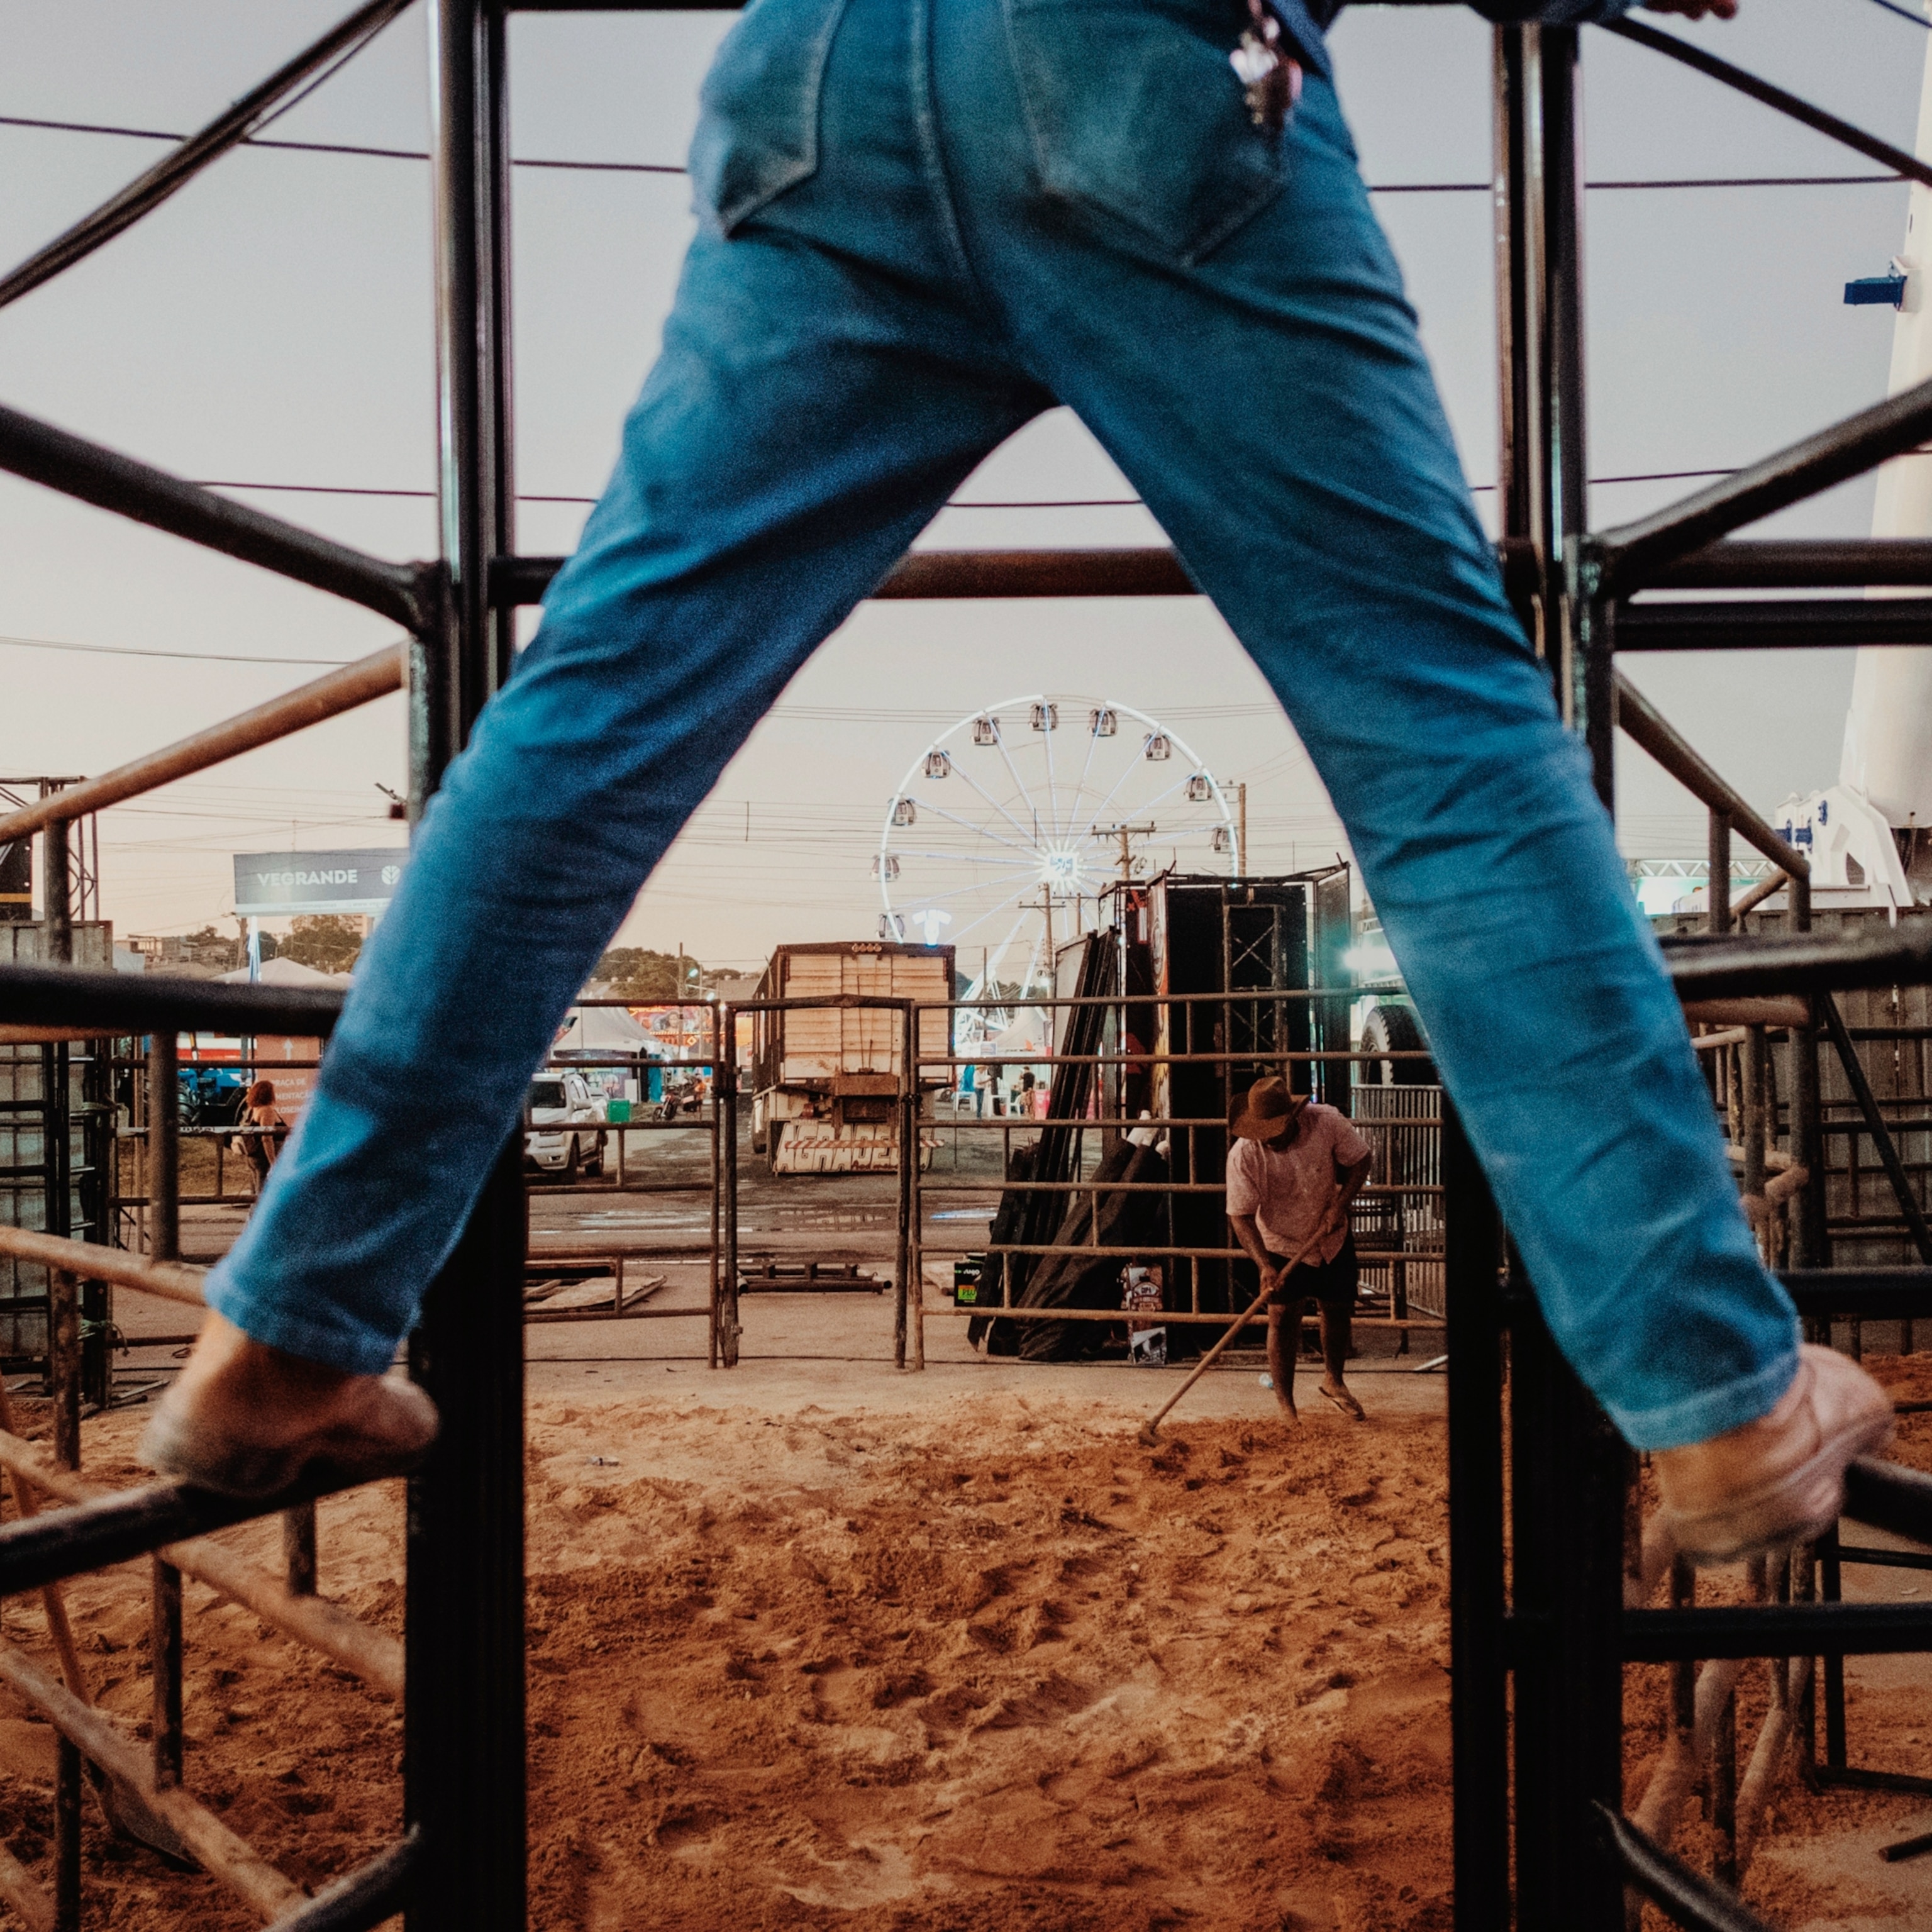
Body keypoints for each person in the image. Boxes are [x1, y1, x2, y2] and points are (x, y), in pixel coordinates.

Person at [143, 0, 1894, 1566]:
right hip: (1137, 60)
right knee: (1442, 739)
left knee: (580, 734)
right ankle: (1710, 1387)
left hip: (812, 73)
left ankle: (293, 1320)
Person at [1227, 1078, 1373, 1423]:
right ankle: (1286, 1404)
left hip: (1329, 1235)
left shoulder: (1326, 1121)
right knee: (1282, 1319)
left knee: (1338, 1309)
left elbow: (1361, 1160)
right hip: (1279, 1241)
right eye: (1264, 1132)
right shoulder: (1244, 1155)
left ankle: (1334, 1382)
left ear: (1293, 1117)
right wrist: (1264, 1265)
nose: (1270, 1137)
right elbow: (1241, 1217)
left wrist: (1340, 1204)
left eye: (1276, 1129)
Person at [236, 1080, 288, 1197]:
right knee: (264, 1193)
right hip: (264, 1157)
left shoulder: (254, 1109)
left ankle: (254, 1213)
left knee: (257, 1191)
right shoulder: (267, 1111)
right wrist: (273, 1162)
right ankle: (259, 1214)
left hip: (254, 1155)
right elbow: (267, 1138)